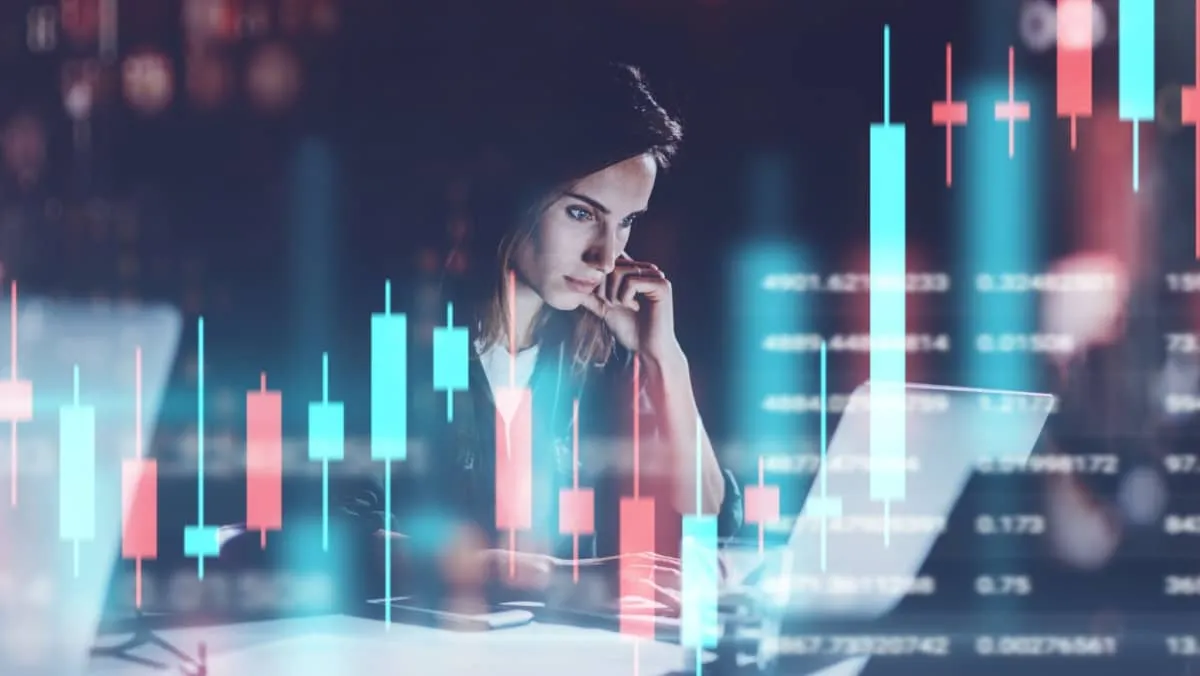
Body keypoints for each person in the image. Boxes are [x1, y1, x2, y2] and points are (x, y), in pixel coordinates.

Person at [221, 54, 744, 616]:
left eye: (627, 222)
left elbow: (705, 522)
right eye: (580, 213)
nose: (607, 254)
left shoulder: (597, 348)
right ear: (512, 197)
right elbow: (317, 532)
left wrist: (665, 361)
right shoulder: (399, 341)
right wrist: (538, 576)